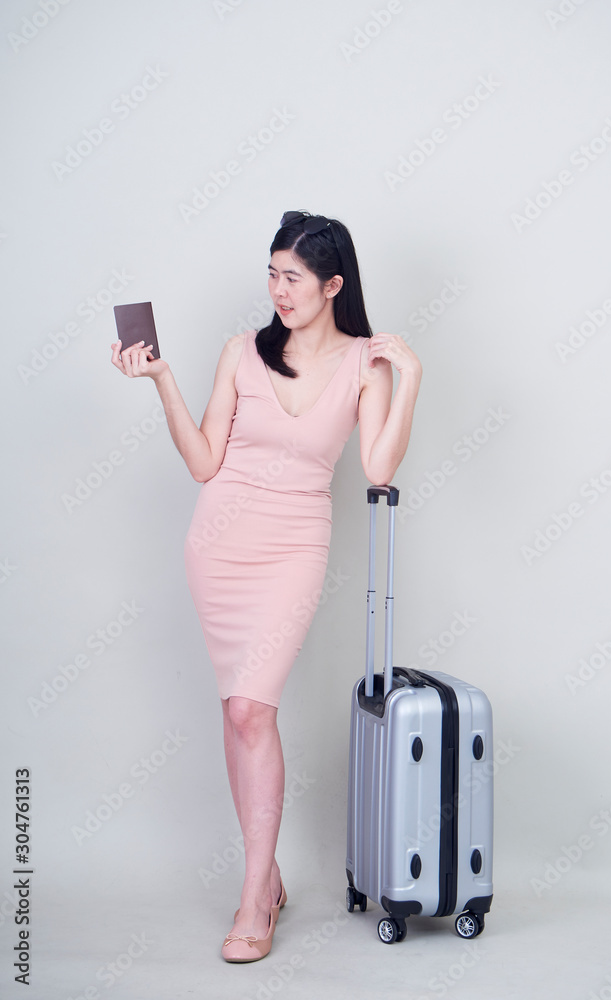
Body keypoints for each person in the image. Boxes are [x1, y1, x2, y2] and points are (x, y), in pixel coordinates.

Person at [109, 211, 422, 963]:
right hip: (218, 545)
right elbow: (203, 461)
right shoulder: (240, 352)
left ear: (333, 285)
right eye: (272, 273)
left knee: (253, 708)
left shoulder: (365, 365)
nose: (278, 290)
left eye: (294, 278)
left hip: (292, 548)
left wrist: (411, 376)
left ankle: (254, 898)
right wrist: (161, 380)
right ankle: (266, 879)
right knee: (239, 713)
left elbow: (379, 468)